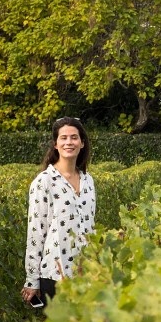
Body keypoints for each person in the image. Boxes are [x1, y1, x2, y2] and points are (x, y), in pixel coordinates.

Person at [22, 117, 96, 306]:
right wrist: (32, 279)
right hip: (55, 275)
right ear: (55, 144)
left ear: (82, 143)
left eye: (74, 137)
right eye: (63, 138)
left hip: (87, 273)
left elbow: (90, 226)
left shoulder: (88, 181)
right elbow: (36, 231)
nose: (69, 142)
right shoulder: (44, 181)